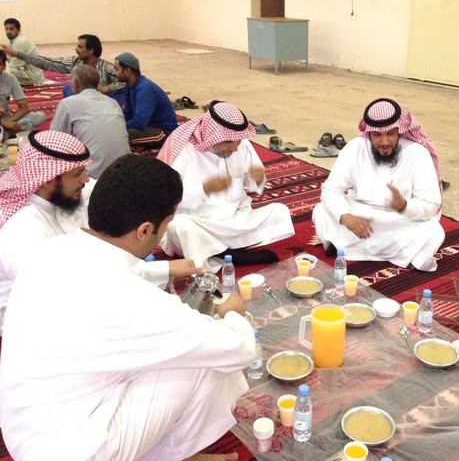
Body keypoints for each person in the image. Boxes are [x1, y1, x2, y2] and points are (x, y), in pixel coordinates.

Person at [0, 154, 254, 461]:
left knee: (173, 352)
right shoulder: (133, 300)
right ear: (145, 231)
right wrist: (233, 312)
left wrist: (168, 270)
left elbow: (113, 281)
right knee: (206, 361)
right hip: (73, 450)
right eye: (166, 225)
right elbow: (240, 349)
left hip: (28, 425)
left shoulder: (53, 249)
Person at [0, 131, 201, 332]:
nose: (86, 179)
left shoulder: (68, 196)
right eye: (77, 174)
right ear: (46, 180)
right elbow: (84, 286)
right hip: (45, 324)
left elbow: (125, 191)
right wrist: (161, 271)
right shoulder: (23, 231)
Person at [157, 100, 294, 268]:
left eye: (238, 141)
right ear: (212, 134)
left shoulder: (239, 143)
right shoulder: (184, 151)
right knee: (179, 226)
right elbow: (166, 202)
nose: (235, 148)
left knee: (279, 211)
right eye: (228, 142)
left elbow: (255, 183)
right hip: (200, 224)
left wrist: (258, 179)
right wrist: (205, 189)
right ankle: (235, 255)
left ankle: (219, 251)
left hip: (235, 219)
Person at [312, 98, 444, 271]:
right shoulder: (355, 148)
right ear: (369, 133)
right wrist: (345, 217)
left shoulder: (417, 153)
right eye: (377, 135)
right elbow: (331, 189)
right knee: (321, 211)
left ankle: (343, 246)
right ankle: (400, 254)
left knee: (434, 231)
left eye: (390, 134)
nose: (384, 142)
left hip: (399, 220)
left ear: (399, 131)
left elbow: (431, 204)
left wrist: (404, 206)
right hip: (361, 215)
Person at [50, 65, 131, 178]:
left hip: (91, 177)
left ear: (76, 83)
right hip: (125, 172)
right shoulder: (113, 102)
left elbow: (55, 142)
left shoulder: (67, 104)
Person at [1, 33, 124, 95]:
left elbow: (126, 81)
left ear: (91, 51)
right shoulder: (75, 63)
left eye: (80, 47)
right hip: (81, 103)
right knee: (67, 89)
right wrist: (17, 54)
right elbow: (47, 62)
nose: (76, 49)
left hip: (102, 105)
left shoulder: (106, 67)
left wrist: (107, 88)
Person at [114, 52, 178, 147]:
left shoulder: (145, 89)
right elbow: (127, 113)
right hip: (148, 126)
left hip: (164, 132)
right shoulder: (129, 86)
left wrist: (119, 128)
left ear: (127, 71)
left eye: (116, 69)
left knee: (121, 136)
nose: (114, 73)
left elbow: (140, 121)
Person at [0, 50, 46, 139]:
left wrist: (8, 121)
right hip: (4, 123)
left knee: (40, 116)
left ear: (4, 66)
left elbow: (24, 108)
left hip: (7, 119)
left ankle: (7, 132)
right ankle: (10, 132)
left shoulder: (10, 79)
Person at [3, 18, 45, 86]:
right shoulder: (12, 40)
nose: (8, 32)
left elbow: (14, 64)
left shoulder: (20, 42)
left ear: (19, 30)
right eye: (6, 29)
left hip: (34, 77)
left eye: (11, 29)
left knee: (9, 70)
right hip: (27, 71)